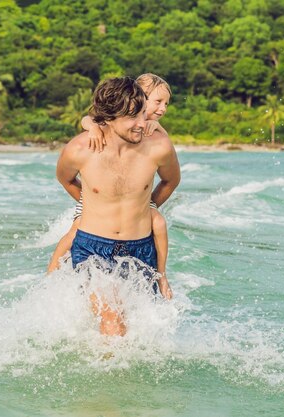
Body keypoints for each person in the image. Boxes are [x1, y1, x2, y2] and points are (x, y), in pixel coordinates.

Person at [54, 77, 180, 336]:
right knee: (113, 319)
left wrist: (147, 207)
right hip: (93, 248)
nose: (142, 124)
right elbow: (65, 179)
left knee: (141, 327)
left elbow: (171, 181)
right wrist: (93, 205)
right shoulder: (80, 149)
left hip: (141, 249)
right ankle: (111, 377)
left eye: (142, 114)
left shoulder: (159, 147)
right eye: (133, 118)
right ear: (109, 118)